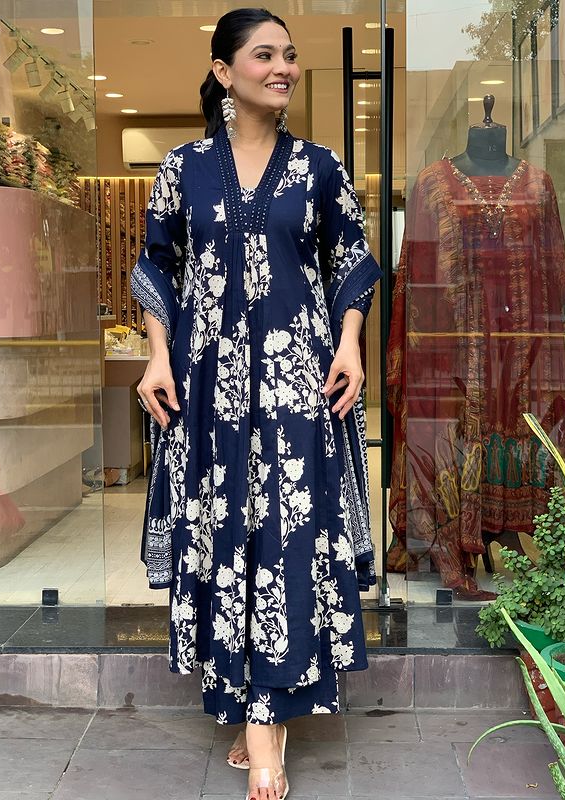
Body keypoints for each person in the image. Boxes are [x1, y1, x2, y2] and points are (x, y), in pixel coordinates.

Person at [131, 8, 381, 799]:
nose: (284, 68)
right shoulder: (184, 168)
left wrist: (351, 343)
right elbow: (157, 264)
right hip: (209, 389)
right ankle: (247, 704)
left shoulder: (319, 167)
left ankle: (267, 723)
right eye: (265, 55)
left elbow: (351, 258)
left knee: (285, 537)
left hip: (297, 384)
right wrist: (158, 355)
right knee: (225, 534)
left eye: (290, 56)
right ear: (223, 70)